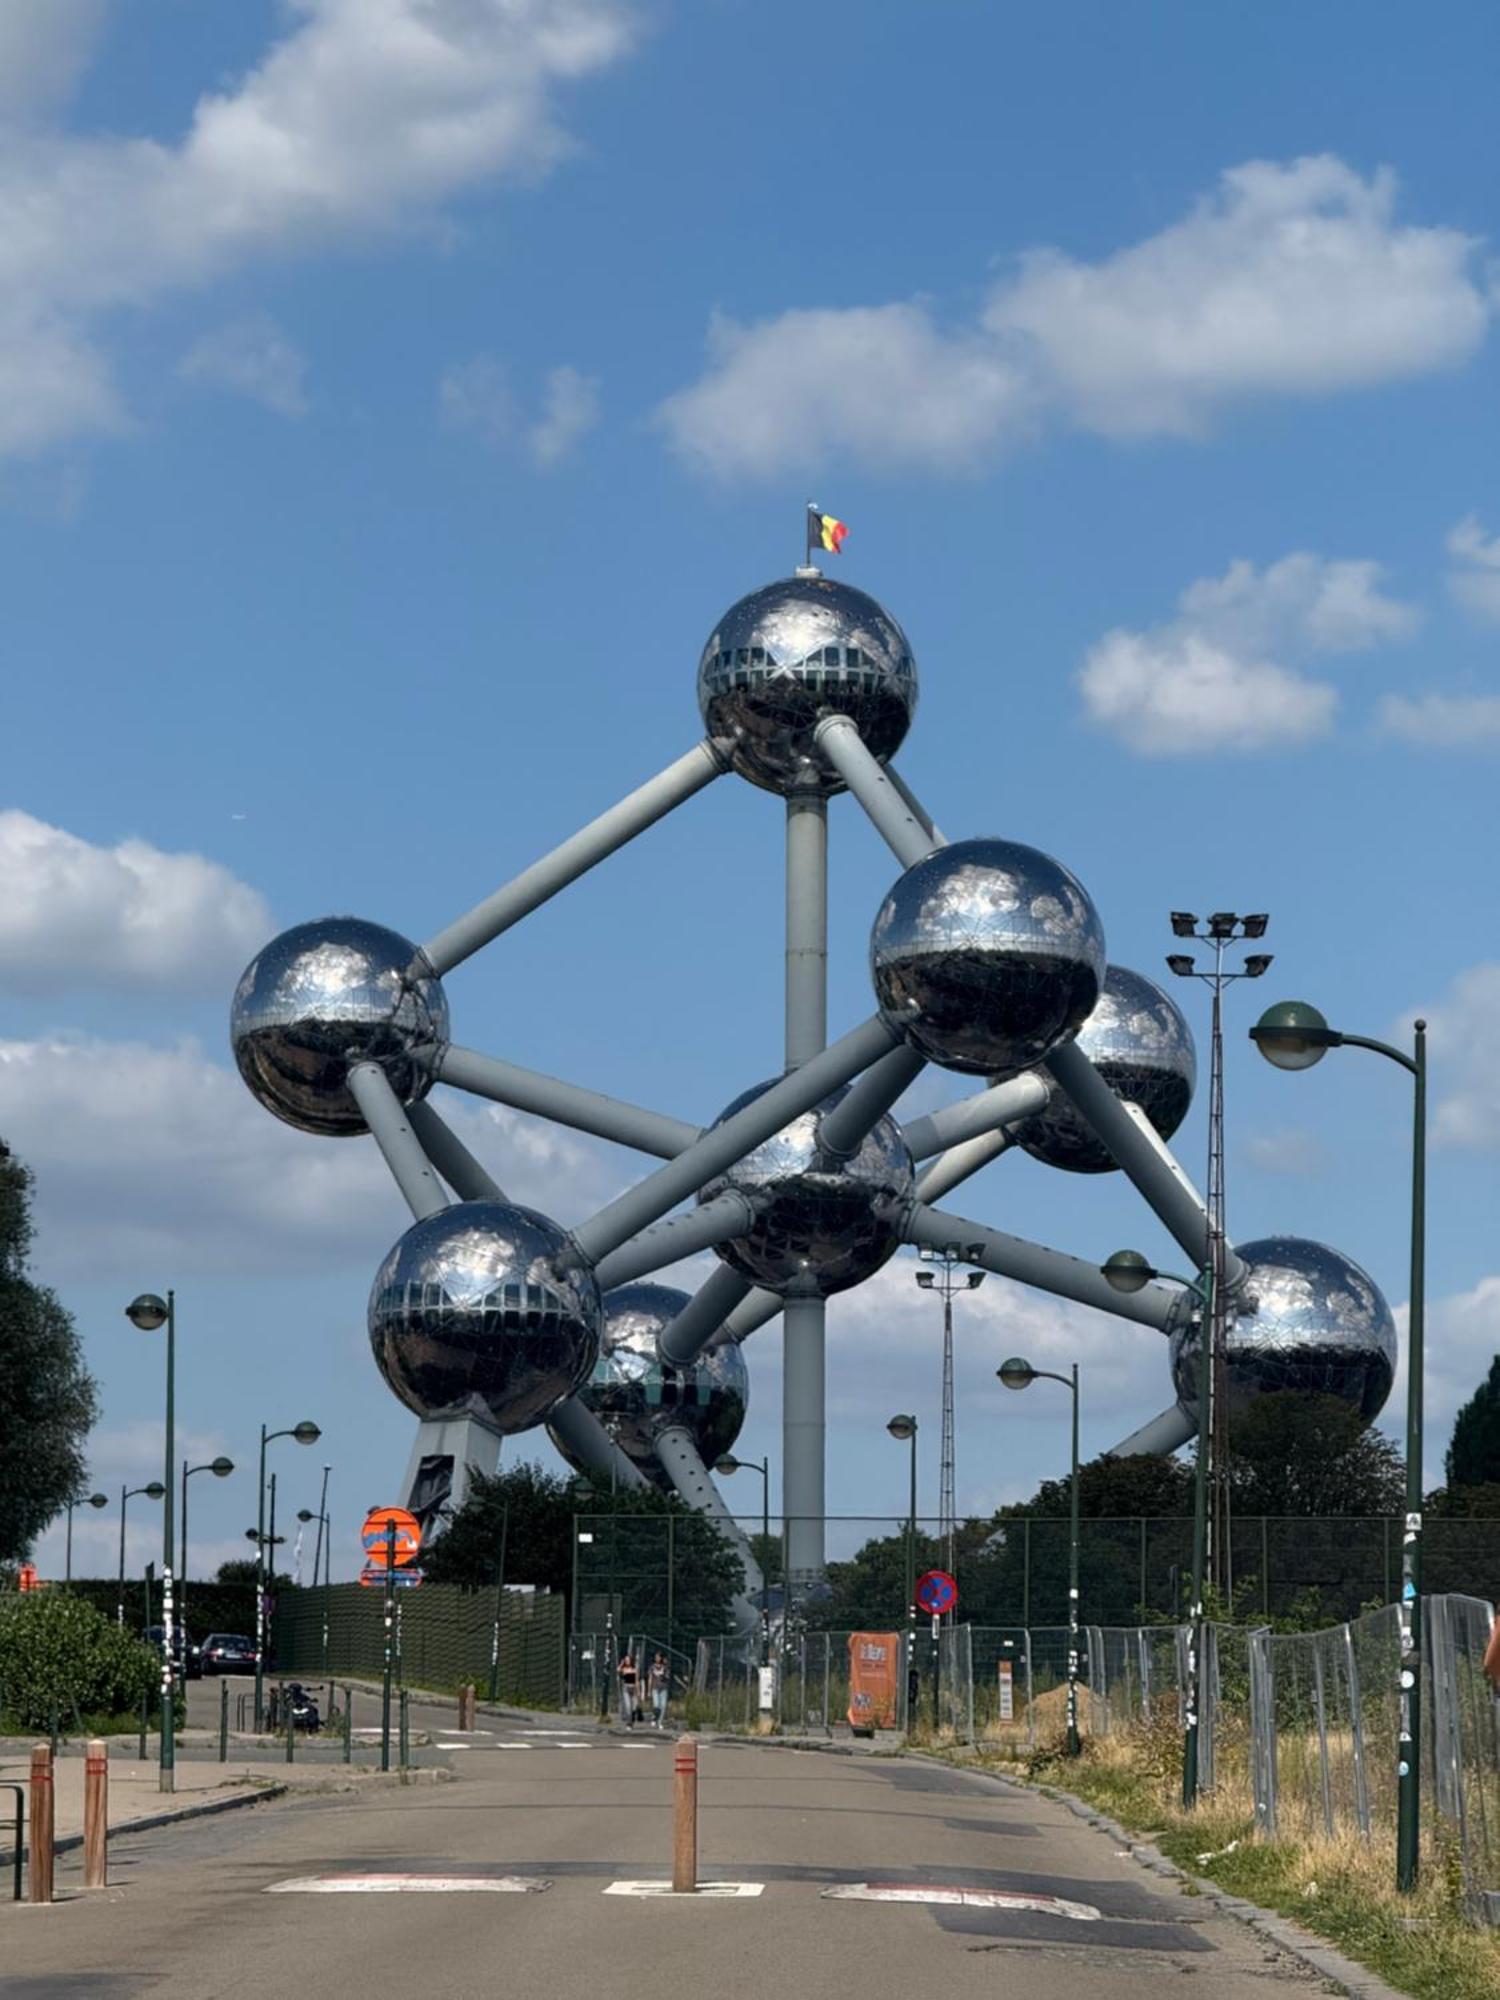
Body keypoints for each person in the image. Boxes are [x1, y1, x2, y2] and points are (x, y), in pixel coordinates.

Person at [648, 1651, 670, 1729]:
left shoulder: (665, 1667)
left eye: (659, 1657)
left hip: (663, 1688)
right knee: (656, 1705)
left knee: (663, 1706)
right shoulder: (652, 1667)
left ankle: (660, 1722)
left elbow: (667, 1677)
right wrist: (649, 1690)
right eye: (656, 1657)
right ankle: (654, 1718)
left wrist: (664, 1672)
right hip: (655, 1688)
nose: (657, 1658)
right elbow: (650, 1678)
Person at [618, 1651, 639, 1727]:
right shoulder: (624, 1669)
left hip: (633, 1689)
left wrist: (638, 1691)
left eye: (628, 1660)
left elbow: (636, 1680)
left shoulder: (634, 1669)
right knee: (628, 1706)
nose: (627, 1662)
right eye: (626, 1660)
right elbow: (618, 1670)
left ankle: (632, 1720)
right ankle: (628, 1723)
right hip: (626, 1689)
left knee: (634, 1707)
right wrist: (622, 1663)